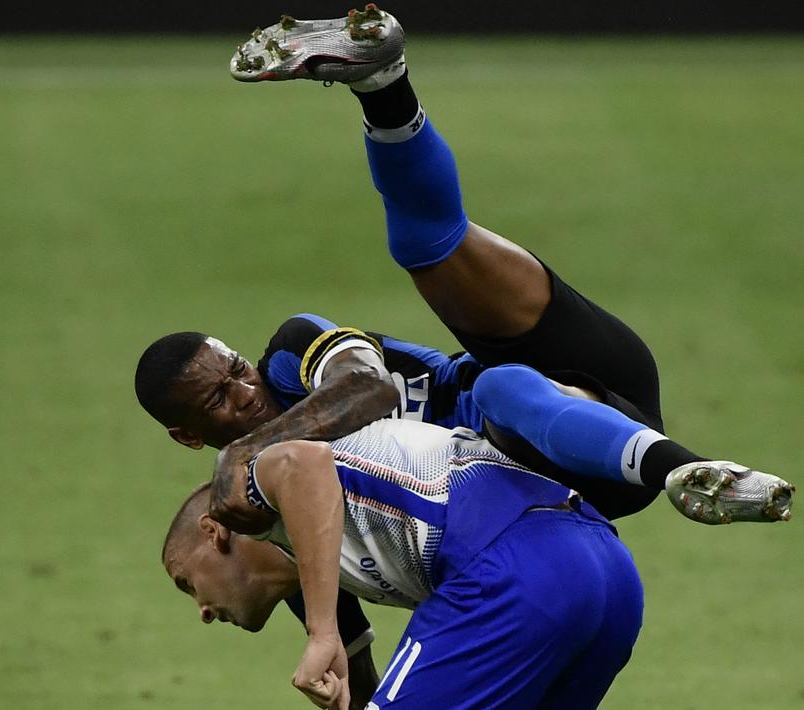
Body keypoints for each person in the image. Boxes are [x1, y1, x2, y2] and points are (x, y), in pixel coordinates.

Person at [140, 5, 793, 707]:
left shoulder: (288, 358)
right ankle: (665, 468)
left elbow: (367, 391)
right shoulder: (283, 512)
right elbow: (350, 651)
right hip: (557, 498)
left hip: (562, 394)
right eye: (216, 401)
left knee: (436, 259)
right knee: (503, 405)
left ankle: (381, 79)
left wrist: (245, 454)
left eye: (234, 370)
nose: (242, 392)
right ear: (187, 433)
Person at [163, 416, 644, 709]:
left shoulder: (247, 503)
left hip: (516, 568)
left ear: (214, 532)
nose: (202, 610)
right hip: (607, 570)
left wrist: (322, 632)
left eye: (186, 582)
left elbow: (298, 463)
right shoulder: (324, 554)